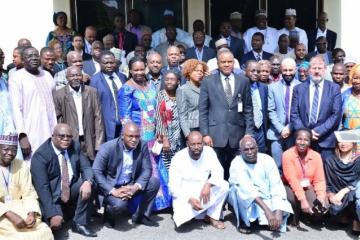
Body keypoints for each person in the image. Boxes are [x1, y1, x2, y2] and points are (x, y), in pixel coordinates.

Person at [118, 57, 172, 210]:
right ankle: (140, 207)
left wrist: (161, 131)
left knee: (157, 167)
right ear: (130, 71)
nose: (140, 72)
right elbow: (124, 117)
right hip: (138, 137)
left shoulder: (151, 85)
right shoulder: (127, 89)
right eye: (136, 70)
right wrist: (132, 139)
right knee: (142, 170)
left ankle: (160, 203)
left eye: (142, 69)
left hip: (154, 136)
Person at [31, 124, 97, 237]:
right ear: (53, 136)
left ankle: (79, 223)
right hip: (52, 196)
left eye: (69, 136)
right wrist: (52, 214)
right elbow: (43, 188)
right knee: (55, 227)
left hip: (70, 188)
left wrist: (88, 182)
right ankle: (62, 213)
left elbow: (86, 167)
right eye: (61, 136)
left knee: (90, 184)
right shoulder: (40, 156)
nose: (66, 139)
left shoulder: (74, 146)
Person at [199, 50, 254, 180]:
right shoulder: (208, 81)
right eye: (223, 62)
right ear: (218, 64)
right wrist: (205, 134)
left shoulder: (243, 81)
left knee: (236, 172)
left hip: (237, 135)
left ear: (233, 63)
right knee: (216, 172)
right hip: (215, 135)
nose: (226, 64)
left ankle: (234, 199)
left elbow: (248, 109)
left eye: (229, 62)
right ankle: (220, 199)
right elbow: (203, 110)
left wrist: (248, 132)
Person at [92, 122, 160, 228]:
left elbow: (147, 169)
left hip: (130, 184)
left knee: (154, 183)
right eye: (130, 136)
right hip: (112, 186)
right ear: (122, 136)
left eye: (137, 136)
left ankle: (140, 215)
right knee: (119, 204)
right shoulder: (108, 147)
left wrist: (135, 187)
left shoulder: (142, 145)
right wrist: (113, 191)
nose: (134, 140)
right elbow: (96, 171)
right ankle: (109, 213)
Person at [228, 136, 292, 234]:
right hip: (249, 198)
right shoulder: (236, 162)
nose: (250, 152)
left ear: (257, 148)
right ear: (240, 151)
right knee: (236, 190)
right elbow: (247, 189)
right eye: (246, 149)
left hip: (266, 196)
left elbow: (276, 185)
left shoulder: (267, 159)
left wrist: (278, 211)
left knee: (280, 211)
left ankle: (264, 221)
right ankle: (244, 222)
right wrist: (267, 211)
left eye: (252, 148)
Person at [169, 131, 228, 228]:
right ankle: (196, 214)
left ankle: (212, 216)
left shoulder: (209, 152)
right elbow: (173, 186)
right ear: (187, 144)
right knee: (182, 222)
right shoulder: (178, 158)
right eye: (193, 144)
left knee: (224, 185)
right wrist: (189, 199)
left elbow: (219, 172)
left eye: (199, 144)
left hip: (203, 193)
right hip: (186, 197)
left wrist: (208, 184)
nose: (196, 147)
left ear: (203, 143)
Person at [0, 133, 53, 240]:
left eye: (14, 149)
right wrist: (10, 215)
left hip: (22, 208)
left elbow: (29, 192)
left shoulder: (21, 164)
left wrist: (31, 213)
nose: (10, 153)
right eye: (5, 149)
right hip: (3, 213)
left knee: (44, 231)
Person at [9, 47, 57, 162]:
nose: (34, 58)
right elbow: (16, 108)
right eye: (29, 56)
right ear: (23, 60)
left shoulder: (47, 75)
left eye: (36, 55)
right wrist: (22, 135)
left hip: (51, 128)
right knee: (33, 163)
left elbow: (55, 103)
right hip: (31, 131)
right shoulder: (16, 77)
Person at [291, 56, 342, 162]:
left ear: (324, 70)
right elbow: (294, 114)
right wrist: (306, 133)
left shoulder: (334, 88)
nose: (317, 71)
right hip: (304, 141)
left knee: (325, 174)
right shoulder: (298, 89)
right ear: (309, 70)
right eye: (314, 68)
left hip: (326, 141)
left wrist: (318, 131)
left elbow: (336, 115)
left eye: (320, 68)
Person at [53, 66, 104, 162]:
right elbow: (58, 120)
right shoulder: (59, 95)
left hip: (89, 138)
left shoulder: (92, 92)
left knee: (90, 166)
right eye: (72, 76)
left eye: (78, 75)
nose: (75, 78)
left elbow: (98, 118)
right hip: (70, 139)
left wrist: (99, 143)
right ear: (67, 78)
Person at [282, 128, 328, 226]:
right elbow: (292, 180)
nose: (302, 142)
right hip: (289, 185)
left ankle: (306, 214)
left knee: (322, 207)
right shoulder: (287, 155)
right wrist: (303, 200)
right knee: (293, 199)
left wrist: (321, 196)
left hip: (307, 186)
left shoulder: (316, 156)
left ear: (310, 142)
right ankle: (295, 215)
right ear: (295, 140)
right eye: (299, 139)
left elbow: (319, 180)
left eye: (306, 140)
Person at [267, 58, 301, 169]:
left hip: (294, 133)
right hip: (276, 134)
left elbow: (301, 112)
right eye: (285, 70)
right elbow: (270, 110)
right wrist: (281, 129)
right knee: (277, 167)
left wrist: (289, 128)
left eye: (290, 70)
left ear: (295, 70)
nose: (287, 73)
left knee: (293, 166)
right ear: (281, 70)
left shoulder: (302, 87)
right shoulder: (272, 87)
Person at [324, 137, 360, 234]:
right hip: (335, 191)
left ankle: (356, 220)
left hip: (351, 190)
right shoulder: (330, 160)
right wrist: (331, 195)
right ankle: (344, 215)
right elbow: (328, 182)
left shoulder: (358, 159)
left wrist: (343, 191)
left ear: (353, 143)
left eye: (346, 140)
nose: (343, 144)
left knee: (354, 195)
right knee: (332, 209)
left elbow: (358, 181)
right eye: (340, 141)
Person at [90, 51, 126, 141]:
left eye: (111, 62)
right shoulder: (95, 81)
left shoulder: (122, 77)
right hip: (107, 127)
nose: (109, 65)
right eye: (106, 63)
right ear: (99, 63)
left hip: (124, 125)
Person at [155, 71, 183, 169]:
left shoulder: (181, 94)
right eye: (167, 79)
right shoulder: (161, 95)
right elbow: (159, 118)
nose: (169, 82)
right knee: (167, 166)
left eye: (172, 79)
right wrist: (165, 138)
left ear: (178, 81)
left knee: (179, 165)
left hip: (180, 137)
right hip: (167, 136)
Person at [177, 59, 208, 138]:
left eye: (201, 71)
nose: (199, 73)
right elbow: (182, 115)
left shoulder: (206, 88)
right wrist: (188, 135)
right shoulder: (183, 89)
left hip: (206, 128)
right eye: (196, 70)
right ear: (189, 72)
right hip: (191, 128)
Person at [245, 61, 268, 153]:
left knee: (261, 157)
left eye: (258, 71)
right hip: (246, 131)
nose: (255, 73)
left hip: (260, 130)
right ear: (245, 71)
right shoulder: (240, 86)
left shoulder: (263, 87)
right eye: (252, 71)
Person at [341, 64, 360, 155]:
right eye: (355, 78)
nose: (357, 81)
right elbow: (338, 117)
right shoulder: (344, 95)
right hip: (348, 138)